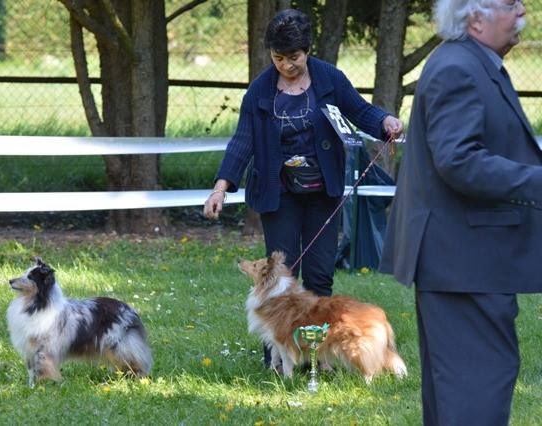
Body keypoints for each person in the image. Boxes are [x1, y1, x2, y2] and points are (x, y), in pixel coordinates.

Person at [203, 9, 402, 365]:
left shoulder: (329, 79)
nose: (286, 65)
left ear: (307, 50)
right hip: (277, 195)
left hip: (321, 193)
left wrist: (385, 120)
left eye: (293, 57)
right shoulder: (260, 91)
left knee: (320, 274)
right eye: (278, 58)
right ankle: (275, 358)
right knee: (278, 278)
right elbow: (242, 141)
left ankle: (315, 357)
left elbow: (359, 110)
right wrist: (220, 187)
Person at [380, 0, 534, 424]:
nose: (521, 9)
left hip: (467, 261)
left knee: (466, 393)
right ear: (476, 17)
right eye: (509, 3)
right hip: (462, 262)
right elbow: (459, 161)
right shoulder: (457, 68)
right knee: (475, 396)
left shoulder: (469, 62)